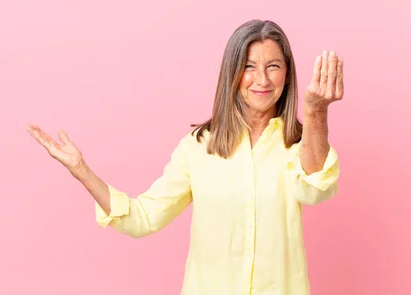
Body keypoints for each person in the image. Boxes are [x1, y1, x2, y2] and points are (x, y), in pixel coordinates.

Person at [26, 19, 343, 295]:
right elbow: (142, 218)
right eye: (248, 66)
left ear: (287, 74)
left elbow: (315, 190)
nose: (262, 79)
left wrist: (316, 111)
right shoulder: (197, 148)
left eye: (273, 66)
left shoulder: (301, 144)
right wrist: (82, 171)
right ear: (231, 74)